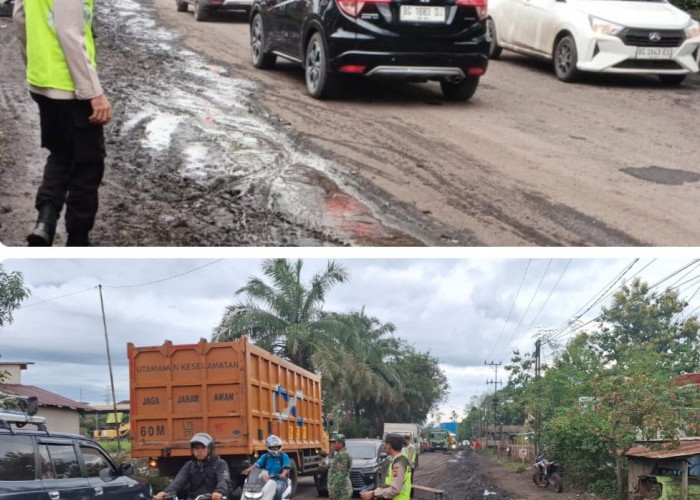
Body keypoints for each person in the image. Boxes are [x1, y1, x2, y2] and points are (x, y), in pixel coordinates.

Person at [13, 0, 113, 247]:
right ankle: (78, 241)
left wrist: (33, 67)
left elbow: (19, 17)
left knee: (60, 153)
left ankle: (45, 223)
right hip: (71, 88)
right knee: (88, 165)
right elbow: (68, 31)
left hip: (43, 81)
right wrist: (94, 93)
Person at [154, 432, 230, 500]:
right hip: (193, 497)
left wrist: (219, 492)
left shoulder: (220, 464)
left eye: (203, 447)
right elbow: (178, 481)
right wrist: (165, 492)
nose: (199, 451)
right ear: (192, 450)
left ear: (210, 449)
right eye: (196, 448)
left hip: (212, 498)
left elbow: (223, 480)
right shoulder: (189, 465)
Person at [360, 434, 411, 500]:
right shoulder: (401, 460)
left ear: (389, 446)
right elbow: (390, 484)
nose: (384, 446)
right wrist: (375, 491)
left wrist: (374, 493)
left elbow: (395, 489)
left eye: (385, 444)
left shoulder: (398, 463)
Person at [242, 435, 291, 500]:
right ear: (268, 447)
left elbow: (286, 467)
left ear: (280, 446)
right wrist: (248, 470)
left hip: (280, 480)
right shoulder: (265, 456)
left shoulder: (284, 456)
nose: (275, 449)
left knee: (278, 489)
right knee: (257, 490)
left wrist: (283, 474)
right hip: (267, 479)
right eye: (273, 447)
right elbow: (257, 464)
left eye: (277, 447)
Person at [327, 434, 352, 500]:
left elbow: (340, 475)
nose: (332, 445)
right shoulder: (339, 454)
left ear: (341, 443)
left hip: (342, 491)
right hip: (339, 490)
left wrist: (333, 492)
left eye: (334, 442)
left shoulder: (343, 455)